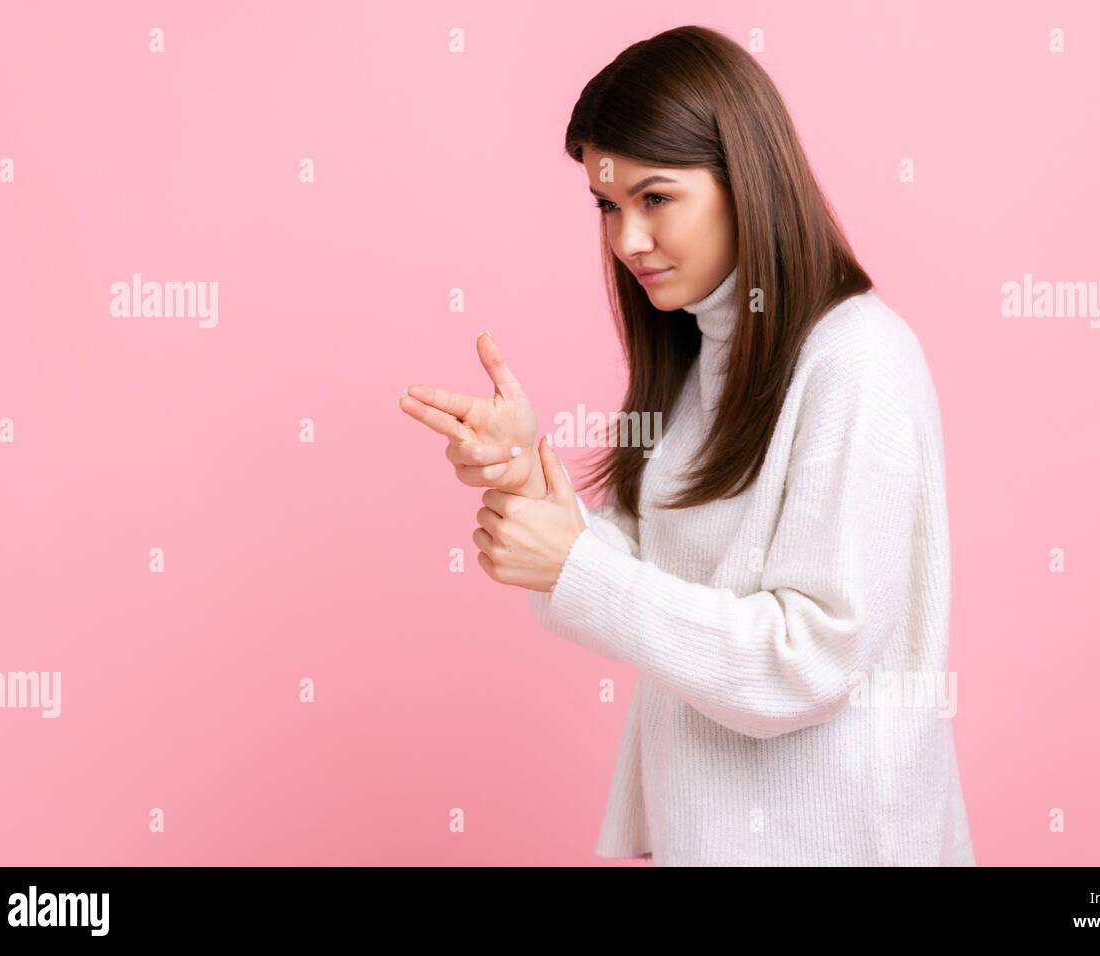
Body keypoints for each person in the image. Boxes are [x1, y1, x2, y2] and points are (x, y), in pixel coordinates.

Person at [399, 25, 974, 866]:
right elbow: (644, 569)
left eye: (655, 198)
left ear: (747, 181)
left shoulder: (858, 358)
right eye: (607, 205)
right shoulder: (700, 355)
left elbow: (808, 662)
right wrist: (525, 483)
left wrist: (575, 565)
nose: (626, 240)